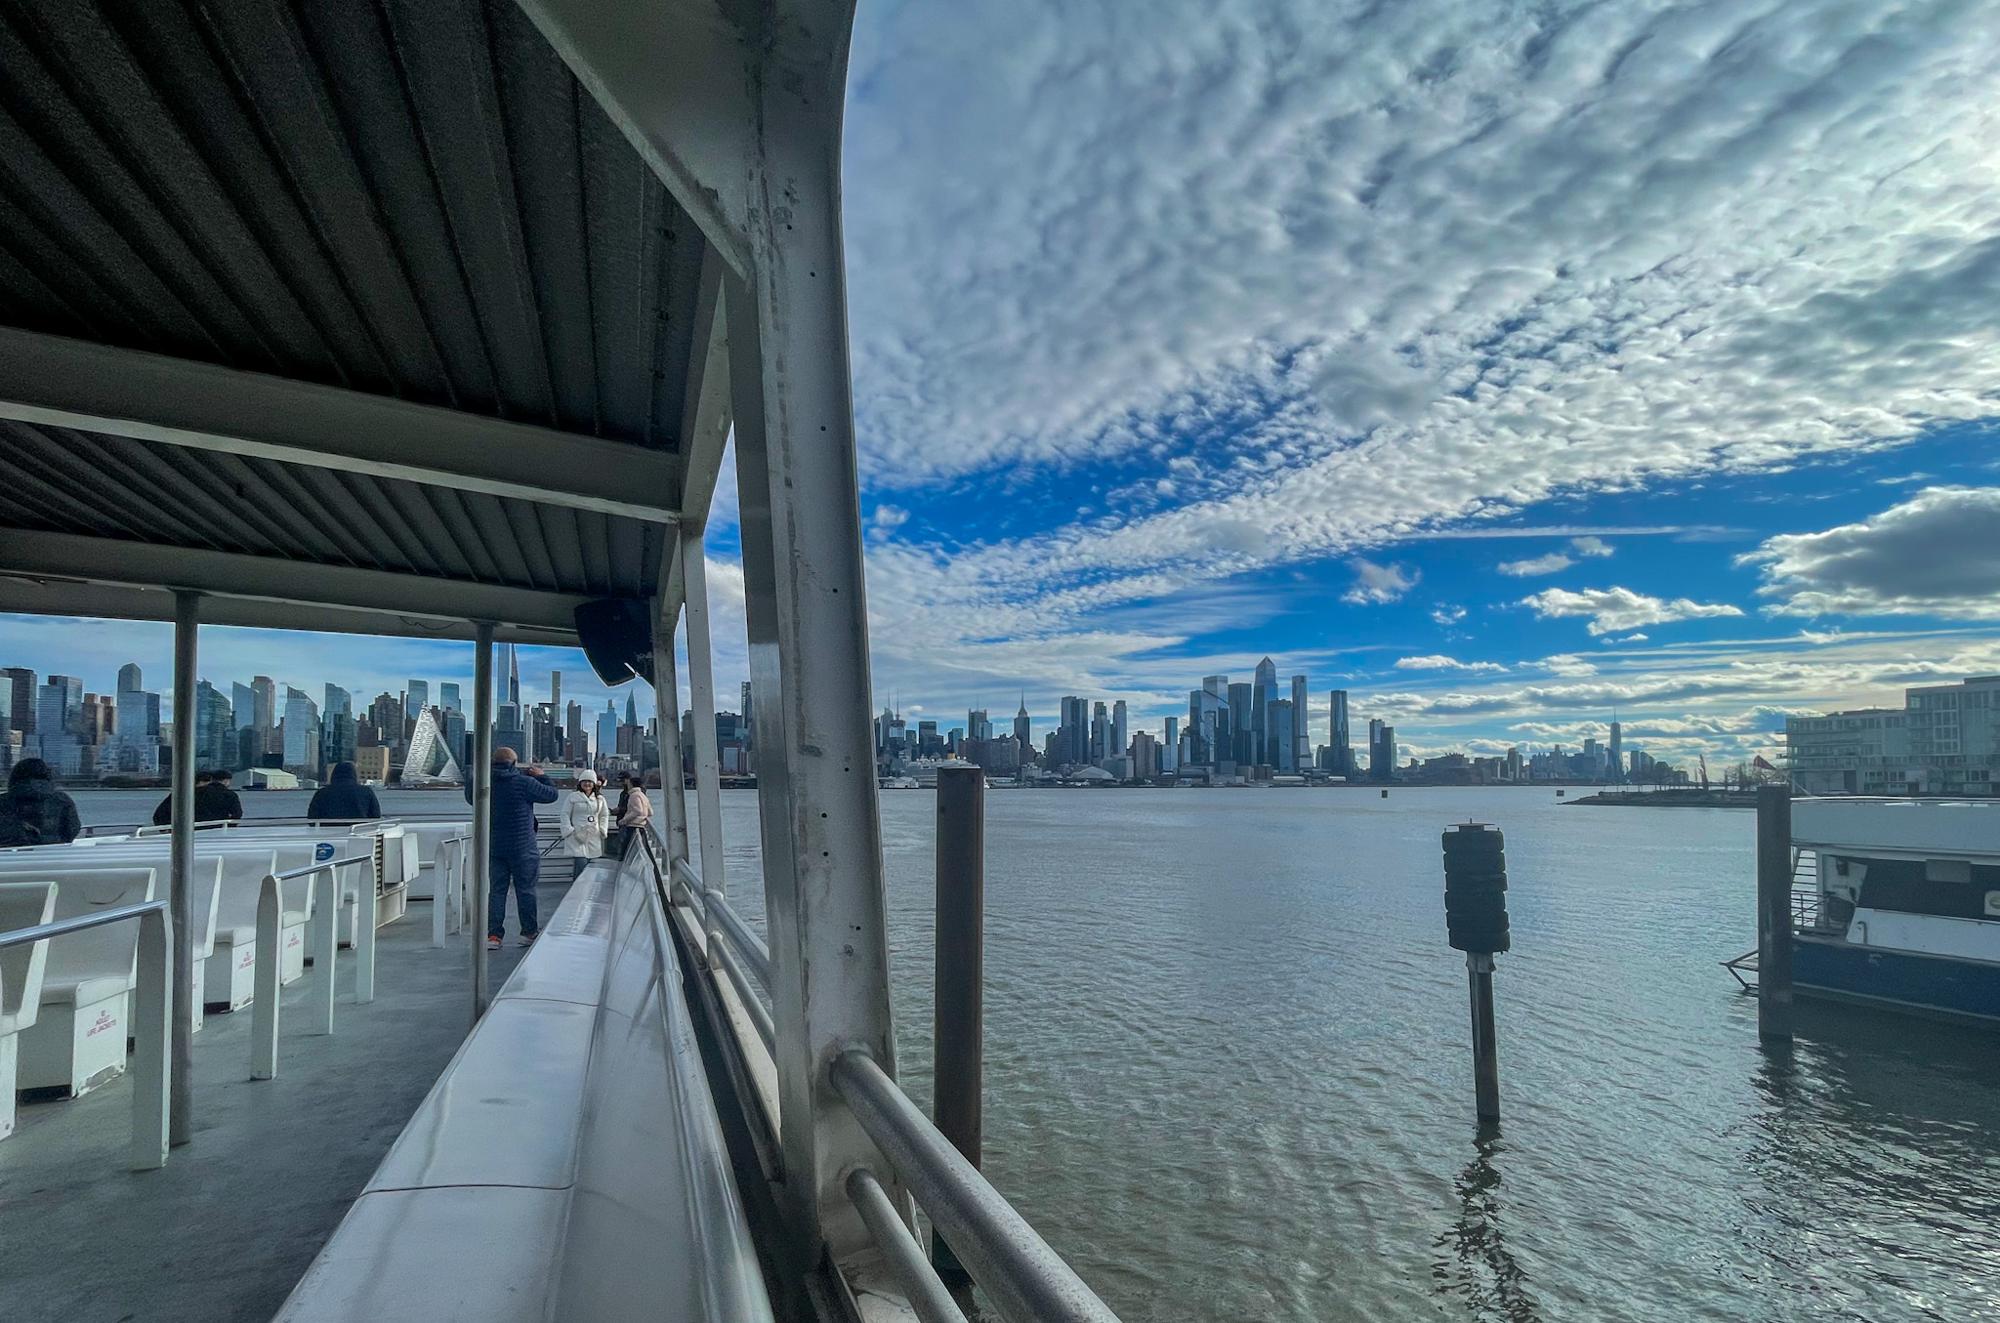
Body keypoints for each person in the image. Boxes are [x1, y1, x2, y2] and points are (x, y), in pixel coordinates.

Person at [462, 747, 559, 950]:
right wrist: (542, 776)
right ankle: (528, 932)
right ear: (514, 763)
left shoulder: (484, 782)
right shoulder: (523, 782)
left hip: (495, 845)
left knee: (497, 891)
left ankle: (494, 936)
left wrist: (476, 773)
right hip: (523, 845)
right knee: (526, 890)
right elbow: (551, 795)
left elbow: (471, 799)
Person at [0, 758, 82, 846]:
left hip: (10, 855)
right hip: (53, 853)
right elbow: (72, 829)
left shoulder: (3, 801)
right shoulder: (63, 800)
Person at [552, 775, 611, 879]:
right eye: (584, 781)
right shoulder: (573, 797)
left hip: (593, 834)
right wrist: (569, 830)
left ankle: (582, 889)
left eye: (589, 781)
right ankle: (578, 888)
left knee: (590, 864)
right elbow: (565, 814)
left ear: (593, 784)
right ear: (580, 783)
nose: (587, 784)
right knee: (581, 862)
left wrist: (602, 829)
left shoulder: (600, 798)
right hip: (577, 835)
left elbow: (604, 815)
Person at [308, 761, 381, 821]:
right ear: (354, 774)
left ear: (333, 774)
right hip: (358, 832)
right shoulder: (366, 791)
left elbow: (312, 818)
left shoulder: (321, 793)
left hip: (328, 834)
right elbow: (376, 816)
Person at [616, 771, 653, 847]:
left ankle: (621, 857)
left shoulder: (633, 795)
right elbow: (650, 812)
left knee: (626, 845)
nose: (621, 783)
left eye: (623, 781)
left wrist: (624, 820)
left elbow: (637, 810)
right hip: (640, 825)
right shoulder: (642, 795)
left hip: (632, 825)